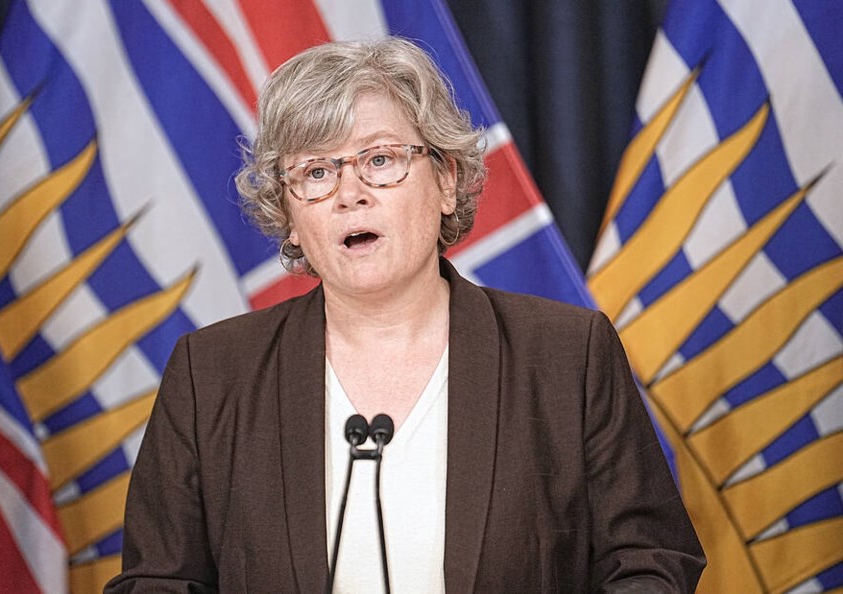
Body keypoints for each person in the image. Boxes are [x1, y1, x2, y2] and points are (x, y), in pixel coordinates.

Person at [105, 37, 705, 593]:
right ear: (289, 218)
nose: (350, 194)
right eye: (316, 172)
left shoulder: (566, 355)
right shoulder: (211, 374)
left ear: (447, 181)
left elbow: (650, 562)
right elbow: (158, 582)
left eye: (380, 160)